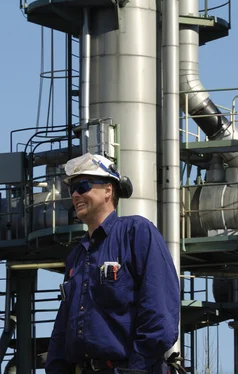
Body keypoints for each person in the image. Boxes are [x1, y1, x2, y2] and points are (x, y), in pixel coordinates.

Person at [45, 153, 180, 374]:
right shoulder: (77, 256)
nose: (76, 195)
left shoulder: (136, 233)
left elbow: (159, 314)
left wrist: (137, 369)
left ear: (108, 190)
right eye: (72, 190)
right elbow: (62, 330)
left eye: (83, 186)